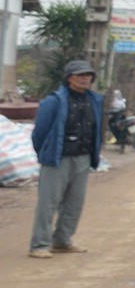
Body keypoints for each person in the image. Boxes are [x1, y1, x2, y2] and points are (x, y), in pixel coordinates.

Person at [28, 60, 103, 260]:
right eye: (80, 75)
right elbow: (39, 133)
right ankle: (40, 244)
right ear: (69, 78)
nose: (85, 79)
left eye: (88, 75)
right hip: (57, 159)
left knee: (74, 203)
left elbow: (97, 128)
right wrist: (45, 153)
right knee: (48, 203)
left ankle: (62, 241)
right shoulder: (54, 101)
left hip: (83, 158)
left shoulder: (95, 100)